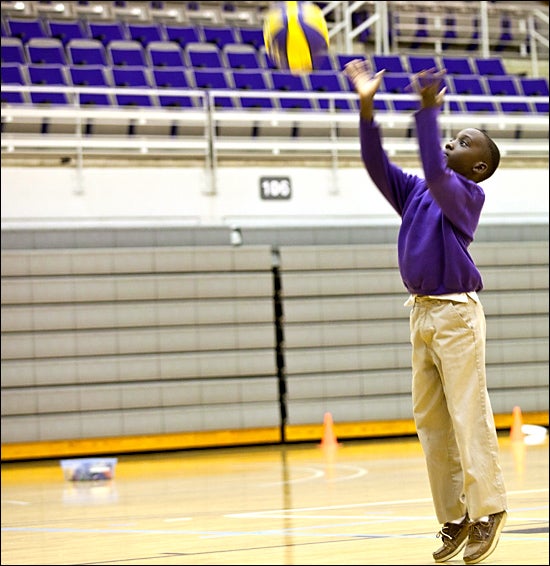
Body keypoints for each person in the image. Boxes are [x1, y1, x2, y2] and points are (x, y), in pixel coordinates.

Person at [343, 59, 508, 565]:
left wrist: (428, 110)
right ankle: (455, 516)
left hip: (456, 315)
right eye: (453, 136)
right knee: (431, 423)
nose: (452, 143)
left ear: (477, 167)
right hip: (420, 314)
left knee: (467, 414)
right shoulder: (417, 191)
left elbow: (437, 173)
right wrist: (367, 105)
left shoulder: (465, 195)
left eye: (464, 142)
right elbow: (377, 167)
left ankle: (489, 510)